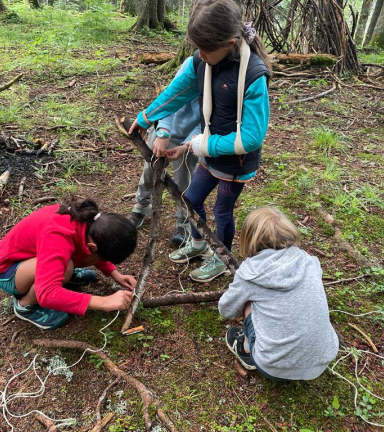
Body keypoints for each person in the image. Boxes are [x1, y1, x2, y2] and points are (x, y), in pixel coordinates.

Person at [129, 0, 271, 283]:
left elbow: (252, 137)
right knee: (191, 199)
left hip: (236, 162)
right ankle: (197, 244)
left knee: (222, 211)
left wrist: (202, 145)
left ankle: (221, 257)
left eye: (206, 50)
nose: (200, 55)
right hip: (209, 151)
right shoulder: (202, 61)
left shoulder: (254, 76)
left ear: (230, 42)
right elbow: (176, 93)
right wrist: (147, 117)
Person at [219, 207, 339, 380]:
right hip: (322, 360)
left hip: (272, 366)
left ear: (248, 238)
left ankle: (246, 349)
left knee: (247, 301)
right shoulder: (309, 261)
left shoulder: (250, 274)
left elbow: (226, 310)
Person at [0, 198, 137, 330]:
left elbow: (99, 247)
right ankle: (25, 305)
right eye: (101, 258)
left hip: (31, 258)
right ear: (92, 247)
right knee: (67, 267)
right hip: (7, 271)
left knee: (68, 265)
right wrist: (104, 302)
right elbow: (47, 293)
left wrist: (115, 274)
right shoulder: (57, 235)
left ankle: (61, 274)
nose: (101, 261)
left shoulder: (90, 222)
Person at [129, 57, 200, 246]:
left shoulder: (221, 81)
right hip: (164, 131)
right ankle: (142, 205)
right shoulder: (192, 64)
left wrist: (186, 145)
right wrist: (163, 131)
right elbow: (169, 98)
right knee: (149, 171)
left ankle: (183, 222)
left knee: (184, 181)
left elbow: (207, 123)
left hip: (191, 141)